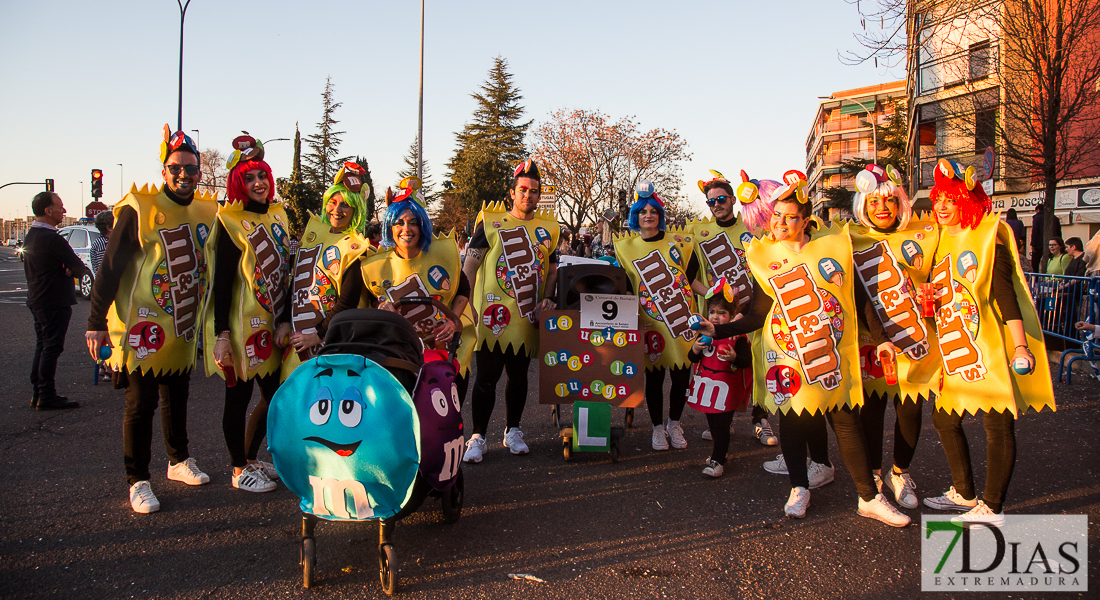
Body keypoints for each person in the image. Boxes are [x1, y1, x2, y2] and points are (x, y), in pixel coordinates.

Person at [693, 170, 909, 526]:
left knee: (846, 422)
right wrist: (717, 330)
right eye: (776, 215)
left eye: (790, 217)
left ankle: (869, 497)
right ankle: (799, 487)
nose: (780, 222)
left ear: (804, 220)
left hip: (830, 355)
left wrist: (882, 338)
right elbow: (756, 316)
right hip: (788, 359)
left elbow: (860, 300)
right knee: (792, 423)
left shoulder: (834, 247)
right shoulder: (764, 258)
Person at [85, 126, 217, 513]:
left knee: (177, 397)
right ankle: (137, 479)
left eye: (191, 168)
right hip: (141, 325)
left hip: (180, 325)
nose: (185, 174)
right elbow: (110, 268)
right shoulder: (138, 208)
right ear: (164, 170)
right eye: (177, 167)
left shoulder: (206, 211)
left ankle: (178, 461)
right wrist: (95, 322)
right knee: (140, 403)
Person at [919, 159, 1055, 527]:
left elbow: (1005, 294)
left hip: (989, 346)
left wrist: (1020, 347)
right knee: (944, 419)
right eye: (939, 199)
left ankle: (992, 507)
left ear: (971, 201)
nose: (942, 207)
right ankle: (964, 493)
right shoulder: (940, 238)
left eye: (952, 199)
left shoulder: (987, 235)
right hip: (955, 343)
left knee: (998, 426)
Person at [202, 134, 292, 493]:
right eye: (250, 178)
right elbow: (221, 284)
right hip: (241, 329)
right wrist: (222, 334)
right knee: (237, 399)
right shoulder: (229, 221)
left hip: (273, 326)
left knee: (277, 396)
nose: (258, 183)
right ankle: (239, 470)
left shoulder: (279, 215)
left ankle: (250, 458)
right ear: (239, 182)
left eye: (263, 176)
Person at [849, 163, 940, 511]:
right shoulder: (851, 239)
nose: (881, 209)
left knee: (910, 409)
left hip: (913, 335)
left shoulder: (924, 233)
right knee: (872, 409)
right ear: (863, 206)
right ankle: (873, 473)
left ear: (899, 203)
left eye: (887, 202)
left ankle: (900, 472)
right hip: (873, 341)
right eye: (873, 203)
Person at [461, 159, 560, 462]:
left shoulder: (549, 229)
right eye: (523, 189)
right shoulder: (490, 224)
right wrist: (465, 307)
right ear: (512, 193)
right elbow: (470, 266)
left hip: (525, 316)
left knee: (518, 378)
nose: (528, 195)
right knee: (486, 378)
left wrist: (548, 299)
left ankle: (513, 431)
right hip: (491, 316)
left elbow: (552, 270)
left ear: (539, 194)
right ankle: (477, 436)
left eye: (533, 191)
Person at [362, 176, 475, 398]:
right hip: (402, 357)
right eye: (399, 222)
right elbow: (370, 302)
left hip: (449, 351)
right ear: (390, 227)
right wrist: (381, 308)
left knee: (447, 419)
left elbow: (463, 289)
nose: (407, 229)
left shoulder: (442, 254)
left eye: (413, 222)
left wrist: (453, 320)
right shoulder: (375, 264)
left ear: (422, 224)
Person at [614, 180, 706, 451]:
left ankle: (674, 423)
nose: (649, 215)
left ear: (660, 215)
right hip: (650, 323)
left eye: (654, 211)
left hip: (681, 322)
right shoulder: (625, 249)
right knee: (654, 378)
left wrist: (714, 293)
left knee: (681, 377)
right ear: (636, 216)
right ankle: (656, 428)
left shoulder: (681, 243)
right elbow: (626, 289)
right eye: (643, 211)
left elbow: (693, 281)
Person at [690, 169, 778, 446]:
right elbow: (690, 277)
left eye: (721, 199)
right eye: (711, 201)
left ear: (733, 199)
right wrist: (714, 294)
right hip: (721, 317)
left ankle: (760, 419)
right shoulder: (701, 234)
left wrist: (748, 306)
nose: (717, 205)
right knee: (723, 366)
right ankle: (722, 423)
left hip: (756, 312)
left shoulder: (753, 228)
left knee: (759, 365)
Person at [281, 162, 370, 379]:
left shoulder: (356, 246)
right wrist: (284, 320)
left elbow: (347, 302)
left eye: (345, 205)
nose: (337, 210)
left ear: (356, 210)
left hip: (332, 343)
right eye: (333, 202)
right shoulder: (313, 232)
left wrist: (318, 335)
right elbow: (296, 283)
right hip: (297, 339)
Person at [24, 191, 89, 410]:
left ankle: (38, 392)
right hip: (54, 299)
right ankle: (47, 395)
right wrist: (72, 269)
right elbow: (80, 267)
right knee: (51, 347)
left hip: (38, 298)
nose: (64, 211)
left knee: (42, 345)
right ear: (48, 210)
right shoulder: (52, 238)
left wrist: (69, 268)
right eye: (60, 207)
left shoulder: (32, 235)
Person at [686, 279, 752, 478]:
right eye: (712, 312)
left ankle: (718, 460)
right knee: (713, 422)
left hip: (727, 389)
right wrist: (695, 349)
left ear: (732, 316)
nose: (715, 317)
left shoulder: (737, 337)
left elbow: (745, 361)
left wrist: (733, 357)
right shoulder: (704, 333)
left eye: (721, 314)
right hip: (707, 387)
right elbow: (692, 359)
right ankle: (718, 452)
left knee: (722, 424)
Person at [1030, 204, 1061, 272]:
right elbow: (1059, 232)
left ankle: (1036, 279)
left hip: (1039, 244)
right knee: (1051, 260)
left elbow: (1035, 231)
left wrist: (1033, 244)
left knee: (1035, 262)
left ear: (1038, 210)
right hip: (1053, 244)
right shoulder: (1055, 218)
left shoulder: (1037, 218)